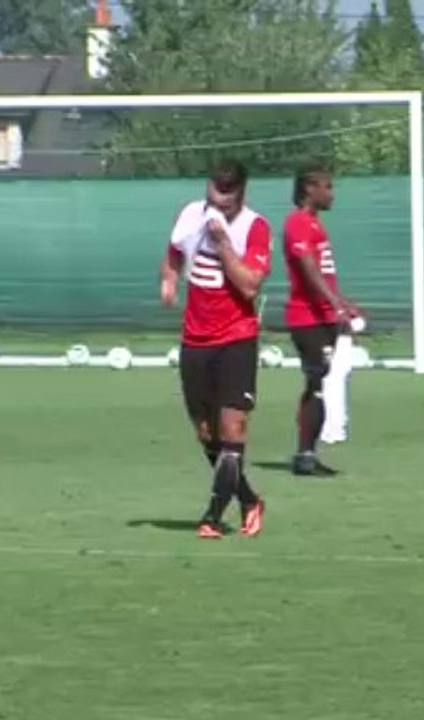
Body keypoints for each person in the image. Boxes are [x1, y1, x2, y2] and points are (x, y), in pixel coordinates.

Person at [160, 158, 271, 539]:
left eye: (227, 194)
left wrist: (223, 243)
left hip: (236, 338)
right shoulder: (191, 214)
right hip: (195, 340)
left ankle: (212, 515)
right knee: (206, 433)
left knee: (232, 428)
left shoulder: (255, 227)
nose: (218, 201)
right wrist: (169, 281)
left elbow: (250, 286)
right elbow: (174, 251)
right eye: (214, 192)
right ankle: (250, 500)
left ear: (242, 191)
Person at [283, 165, 361, 477]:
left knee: (320, 382)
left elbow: (324, 273)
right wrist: (333, 303)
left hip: (324, 315)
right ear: (309, 189)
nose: (332, 193)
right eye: (327, 187)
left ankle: (308, 453)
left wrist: (342, 302)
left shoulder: (315, 224)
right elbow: (308, 268)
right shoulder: (298, 223)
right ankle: (305, 455)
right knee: (316, 382)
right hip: (307, 317)